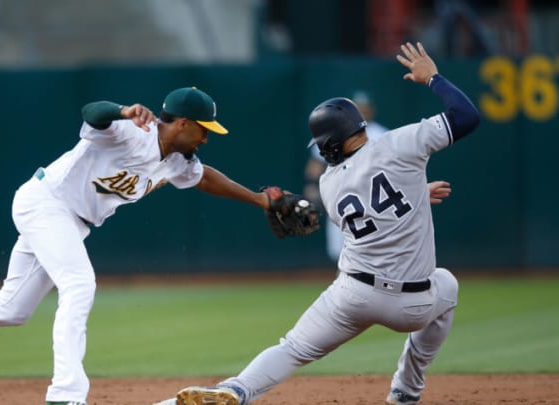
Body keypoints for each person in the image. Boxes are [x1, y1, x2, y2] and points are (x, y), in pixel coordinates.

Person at [0, 87, 288, 405]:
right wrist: (123, 110)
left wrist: (258, 200)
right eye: (203, 129)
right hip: (46, 203)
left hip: (70, 222)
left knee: (12, 307)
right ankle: (66, 395)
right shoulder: (135, 130)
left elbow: (204, 179)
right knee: (80, 284)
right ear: (183, 123)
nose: (206, 137)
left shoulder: (178, 161)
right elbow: (91, 112)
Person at [155, 42, 480, 405]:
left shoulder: (329, 182)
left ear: (329, 142)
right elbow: (466, 116)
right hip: (412, 303)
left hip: (355, 295)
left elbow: (372, 202)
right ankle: (405, 391)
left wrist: (415, 190)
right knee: (447, 284)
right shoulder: (400, 143)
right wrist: (433, 78)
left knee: (292, 347)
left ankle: (237, 389)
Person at [303, 90, 388, 261]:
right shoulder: (335, 134)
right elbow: (314, 166)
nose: (363, 111)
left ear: (371, 110)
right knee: (340, 253)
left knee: (375, 253)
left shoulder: (383, 134)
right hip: (344, 200)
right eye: (358, 108)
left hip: (376, 200)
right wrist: (312, 188)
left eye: (365, 108)